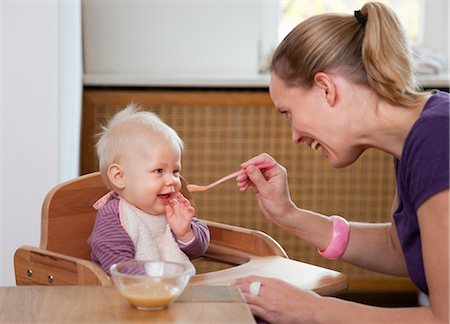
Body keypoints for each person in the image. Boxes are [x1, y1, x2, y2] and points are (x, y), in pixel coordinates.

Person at [232, 2, 449, 323]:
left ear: (326, 89)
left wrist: (311, 309)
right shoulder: (419, 134)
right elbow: (401, 248)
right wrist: (290, 215)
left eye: (289, 113)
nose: (294, 136)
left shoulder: (438, 139)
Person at [88, 105, 210, 275]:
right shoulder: (115, 217)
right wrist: (156, 285)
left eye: (175, 171)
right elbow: (118, 267)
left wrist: (185, 233)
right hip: (128, 296)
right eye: (159, 171)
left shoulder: (173, 207)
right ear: (119, 176)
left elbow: (199, 250)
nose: (172, 181)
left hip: (175, 291)